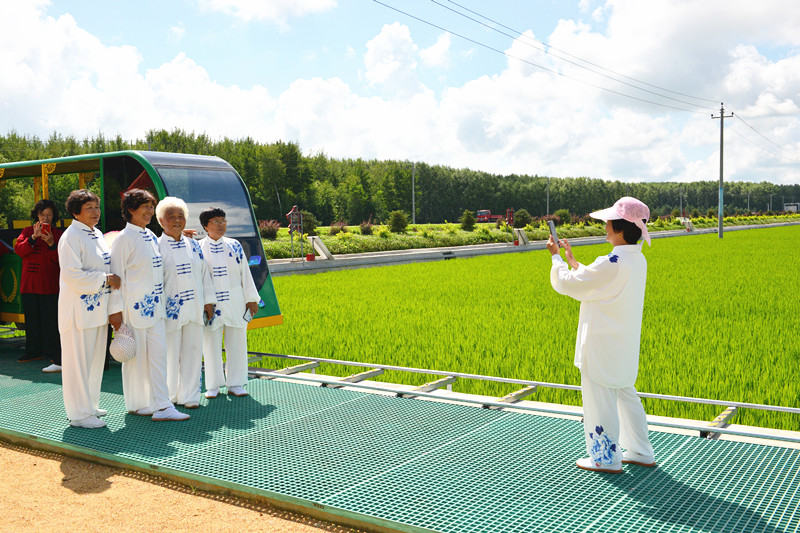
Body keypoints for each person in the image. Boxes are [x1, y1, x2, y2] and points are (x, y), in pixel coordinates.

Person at [547, 196, 656, 473]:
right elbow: (600, 283)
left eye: (609, 222)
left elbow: (568, 285)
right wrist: (574, 261)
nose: (605, 225)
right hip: (623, 345)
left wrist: (557, 259)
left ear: (619, 228)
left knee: (600, 400)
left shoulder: (612, 262)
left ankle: (606, 458)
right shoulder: (635, 259)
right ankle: (641, 451)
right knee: (625, 396)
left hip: (602, 345)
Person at [108, 189, 189, 421]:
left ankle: (160, 405)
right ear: (130, 210)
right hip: (133, 309)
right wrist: (115, 312)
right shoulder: (124, 239)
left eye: (151, 207)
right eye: (145, 207)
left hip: (155, 308)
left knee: (157, 357)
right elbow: (116, 276)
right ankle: (138, 403)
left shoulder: (151, 237)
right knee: (136, 358)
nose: (149, 211)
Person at [58, 190, 121, 428]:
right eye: (90, 208)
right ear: (76, 212)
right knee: (78, 363)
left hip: (97, 310)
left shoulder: (95, 234)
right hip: (78, 312)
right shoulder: (71, 236)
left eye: (97, 207)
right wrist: (105, 279)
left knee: (95, 361)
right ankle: (79, 414)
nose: (96, 212)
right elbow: (73, 275)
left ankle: (90, 406)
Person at [156, 197, 216, 409]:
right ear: (161, 221)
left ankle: (190, 396)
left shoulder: (194, 245)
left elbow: (204, 274)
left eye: (180, 216)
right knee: (170, 354)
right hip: (169, 311)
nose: (177, 220)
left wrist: (209, 302)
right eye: (171, 217)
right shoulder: (156, 247)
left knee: (193, 350)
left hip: (195, 307)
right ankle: (170, 396)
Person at [199, 207, 259, 398]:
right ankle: (213, 385)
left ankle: (236, 383)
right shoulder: (198, 248)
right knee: (210, 344)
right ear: (205, 226)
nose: (220, 225)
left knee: (238, 341)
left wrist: (251, 299)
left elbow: (245, 273)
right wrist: (205, 302)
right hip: (211, 304)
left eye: (223, 220)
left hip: (235, 301)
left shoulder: (235, 245)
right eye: (215, 221)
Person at [14, 199, 63, 371]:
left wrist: (51, 244)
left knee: (50, 320)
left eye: (49, 214)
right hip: (29, 283)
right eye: (43, 215)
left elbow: (60, 260)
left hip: (49, 283)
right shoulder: (27, 231)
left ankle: (52, 352)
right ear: (37, 215)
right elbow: (19, 250)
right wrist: (33, 238)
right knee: (32, 318)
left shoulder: (58, 234)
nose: (46, 218)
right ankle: (33, 351)